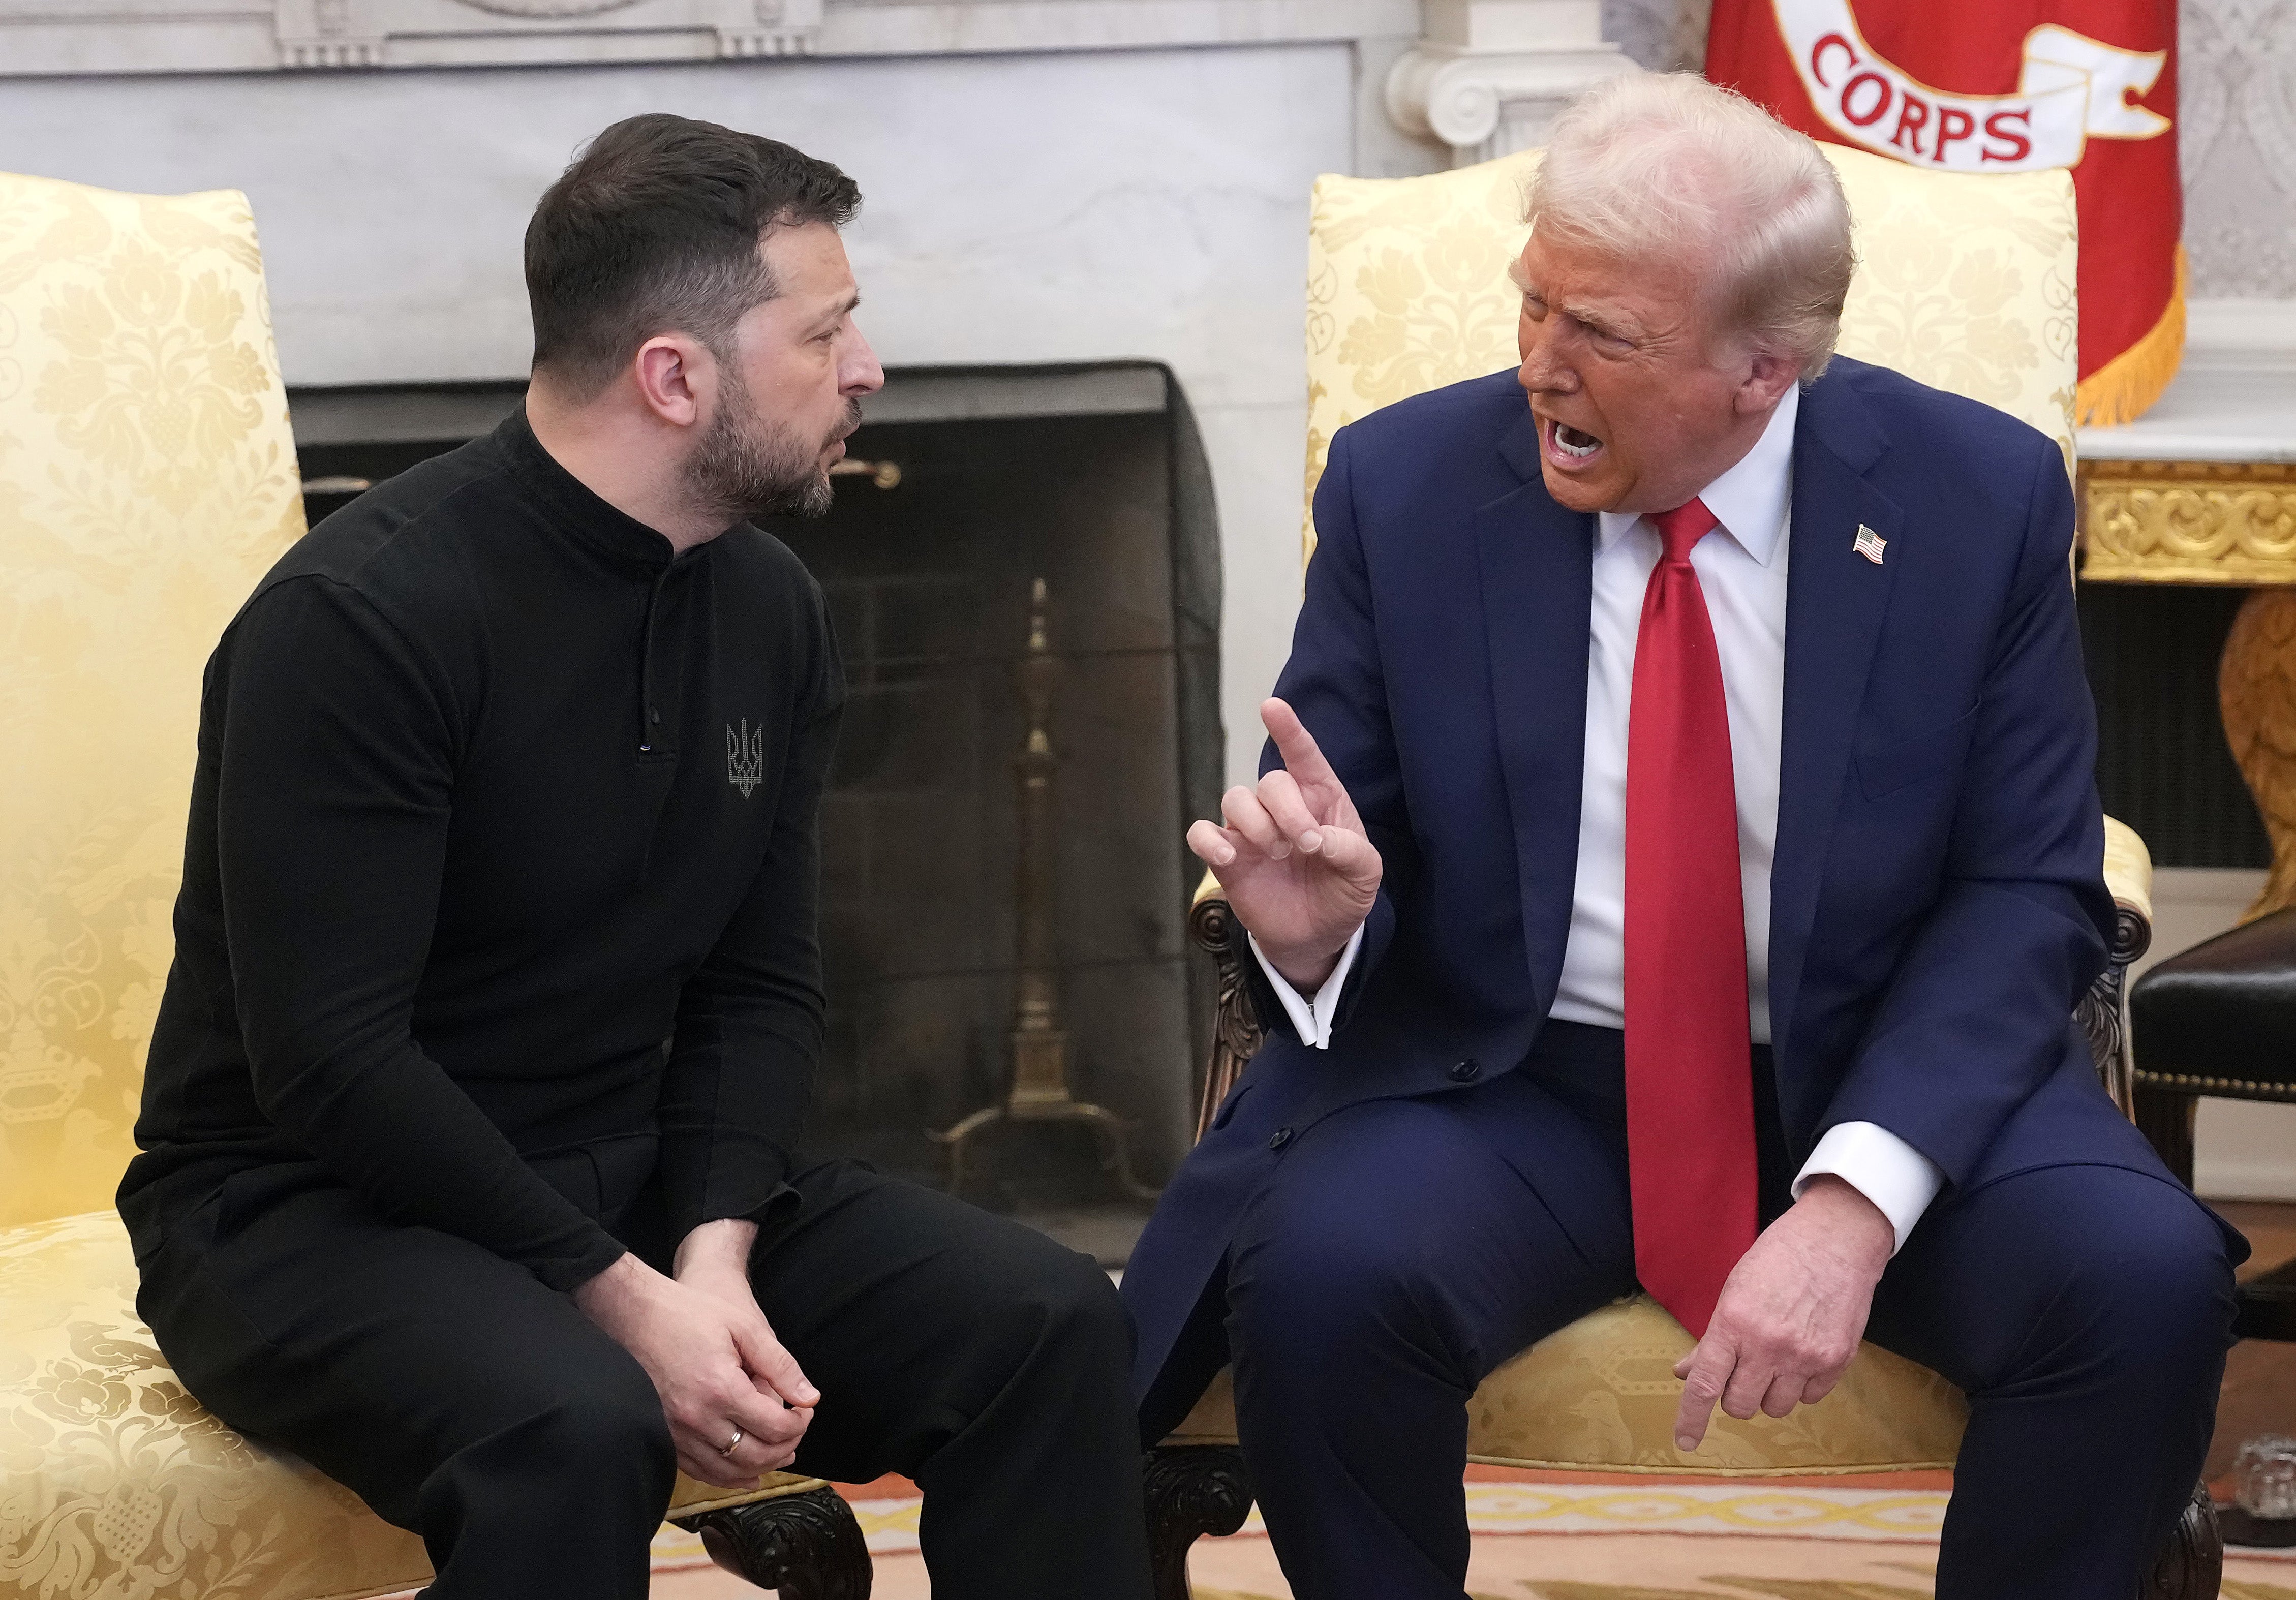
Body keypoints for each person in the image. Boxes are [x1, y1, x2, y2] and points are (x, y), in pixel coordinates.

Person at [1121, 73, 2244, 1600]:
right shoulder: (1408, 485)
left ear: (1763, 371)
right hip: (1521, 1079)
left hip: (1874, 1061)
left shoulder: (1975, 499)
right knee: (1326, 1270)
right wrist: (1312, 934)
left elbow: (2023, 886)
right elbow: (1325, 837)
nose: (1536, 364)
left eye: (1603, 335)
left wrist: (1852, 1204)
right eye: (1533, 306)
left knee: (2143, 1278)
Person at [120, 113, 1154, 1600]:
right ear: (675, 376)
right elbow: (331, 1062)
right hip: (304, 1209)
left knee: (1046, 1319)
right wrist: (618, 1298)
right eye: (828, 332)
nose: (867, 369)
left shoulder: (774, 607)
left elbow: (760, 985)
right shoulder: (357, 622)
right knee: (574, 1420)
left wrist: (715, 1255)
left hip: (634, 1173)